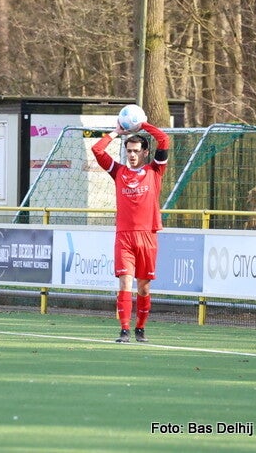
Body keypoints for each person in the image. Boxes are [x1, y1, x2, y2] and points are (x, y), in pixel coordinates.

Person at [91, 115, 169, 343]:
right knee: (125, 282)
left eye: (136, 151)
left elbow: (163, 140)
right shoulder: (118, 172)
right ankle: (124, 330)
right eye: (129, 151)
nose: (132, 155)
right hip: (124, 236)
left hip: (147, 235)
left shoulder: (155, 171)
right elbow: (97, 150)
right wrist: (117, 132)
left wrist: (141, 124)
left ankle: (140, 329)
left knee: (143, 287)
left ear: (145, 152)